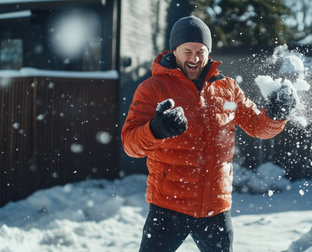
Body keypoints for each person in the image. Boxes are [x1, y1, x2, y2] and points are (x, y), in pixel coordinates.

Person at [121, 16, 297, 252]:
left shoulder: (228, 90)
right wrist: (155, 130)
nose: (194, 58)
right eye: (188, 51)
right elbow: (131, 145)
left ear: (208, 52)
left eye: (201, 51)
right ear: (175, 51)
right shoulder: (153, 89)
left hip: (215, 207)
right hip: (168, 206)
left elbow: (257, 126)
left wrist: (276, 115)